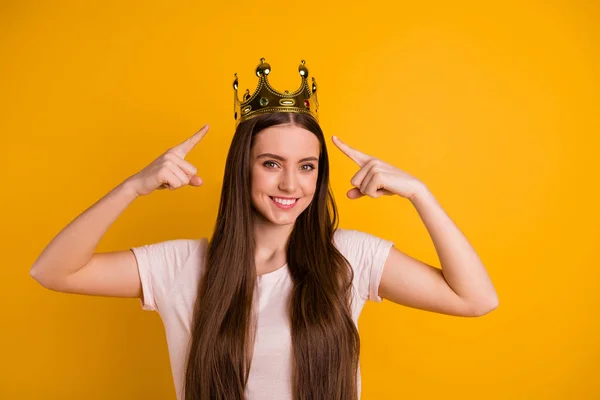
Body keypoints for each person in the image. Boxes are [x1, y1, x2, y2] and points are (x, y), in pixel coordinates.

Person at [30, 59, 498, 400]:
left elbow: (475, 299)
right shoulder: (181, 266)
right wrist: (134, 187)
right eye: (271, 163)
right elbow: (54, 271)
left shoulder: (350, 258)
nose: (291, 184)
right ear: (243, 169)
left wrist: (420, 193)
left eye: (308, 166)